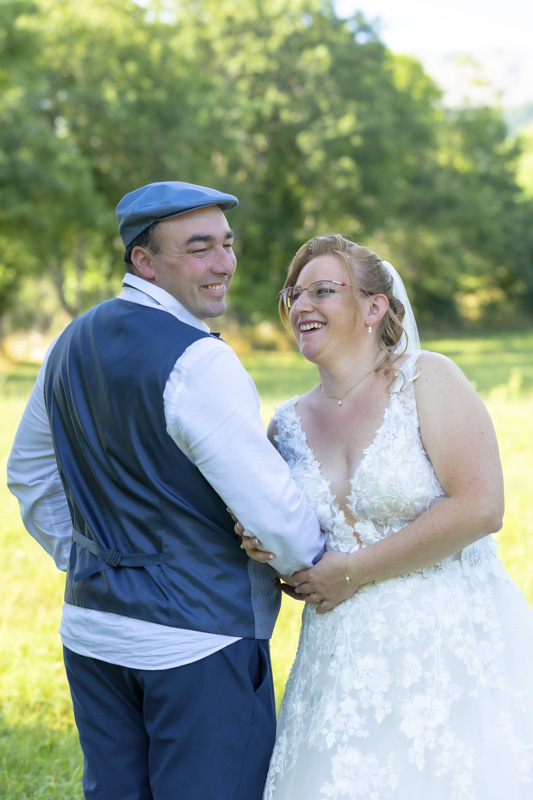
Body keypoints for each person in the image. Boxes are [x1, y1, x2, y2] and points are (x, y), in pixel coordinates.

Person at [6, 181, 324, 800]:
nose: (224, 263)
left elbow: (28, 472)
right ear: (144, 261)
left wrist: (83, 558)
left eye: (227, 245)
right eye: (199, 248)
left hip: (92, 629)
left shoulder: (71, 340)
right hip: (200, 637)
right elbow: (273, 512)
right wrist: (309, 568)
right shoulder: (199, 359)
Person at [239, 234, 533, 799]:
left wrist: (351, 571)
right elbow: (293, 549)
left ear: (375, 307)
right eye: (294, 295)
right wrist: (267, 543)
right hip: (340, 665)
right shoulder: (286, 426)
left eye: (323, 290)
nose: (302, 306)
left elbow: (480, 507)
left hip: (448, 649)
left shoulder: (427, 380)